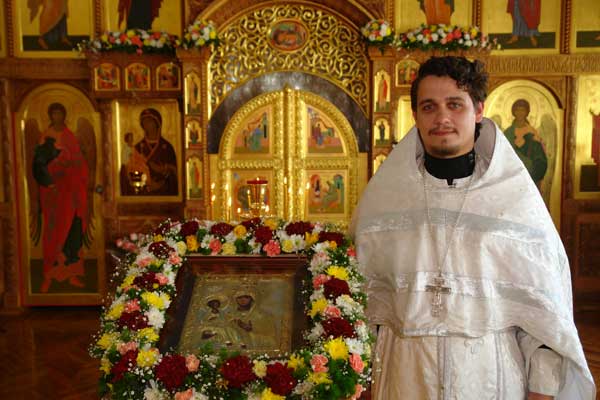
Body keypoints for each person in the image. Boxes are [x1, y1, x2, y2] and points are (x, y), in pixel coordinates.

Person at [351, 56, 595, 399]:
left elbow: (543, 315)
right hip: (403, 375)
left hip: (489, 378)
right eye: (429, 107)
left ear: (478, 110)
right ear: (416, 115)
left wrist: (541, 390)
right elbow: (360, 308)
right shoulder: (384, 200)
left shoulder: (514, 200)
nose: (442, 118)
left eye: (455, 104)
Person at [33, 103, 89, 292]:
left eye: (60, 113)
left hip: (72, 193)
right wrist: (55, 167)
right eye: (54, 113)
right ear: (50, 116)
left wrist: (73, 164)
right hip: (54, 195)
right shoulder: (46, 137)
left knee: (73, 232)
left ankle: (72, 274)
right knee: (54, 233)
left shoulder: (70, 136)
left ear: (64, 115)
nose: (57, 117)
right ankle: (49, 275)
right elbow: (39, 166)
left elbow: (79, 161)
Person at [129, 108, 178, 195]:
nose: (146, 124)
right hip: (143, 193)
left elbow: (176, 175)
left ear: (157, 123)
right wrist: (146, 184)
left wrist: (162, 180)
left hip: (164, 193)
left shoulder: (167, 147)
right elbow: (131, 172)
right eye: (144, 122)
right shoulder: (138, 148)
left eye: (149, 121)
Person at [504, 99, 548, 189]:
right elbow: (503, 153)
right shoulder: (508, 132)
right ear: (514, 112)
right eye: (517, 110)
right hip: (513, 172)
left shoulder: (532, 131)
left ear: (527, 112)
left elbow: (539, 154)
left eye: (523, 110)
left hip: (530, 172)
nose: (520, 113)